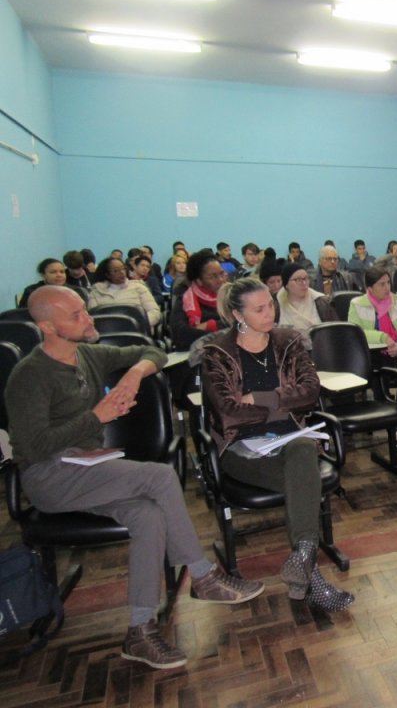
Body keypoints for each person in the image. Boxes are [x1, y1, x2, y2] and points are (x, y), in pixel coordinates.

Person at [4, 286, 263, 670]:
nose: (88, 318)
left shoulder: (89, 354)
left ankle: (139, 631)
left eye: (84, 310)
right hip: (49, 476)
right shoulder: (29, 376)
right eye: (76, 316)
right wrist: (97, 417)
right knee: (159, 477)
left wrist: (135, 374)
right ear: (48, 327)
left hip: (89, 470)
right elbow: (33, 446)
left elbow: (154, 351)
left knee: (148, 516)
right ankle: (203, 577)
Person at [201, 278, 354, 612]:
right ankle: (310, 576)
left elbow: (310, 392)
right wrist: (283, 404)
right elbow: (228, 413)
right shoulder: (217, 354)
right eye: (259, 309)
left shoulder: (288, 342)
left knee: (303, 450)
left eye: (270, 304)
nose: (269, 313)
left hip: (291, 441)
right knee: (303, 477)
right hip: (241, 449)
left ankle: (303, 562)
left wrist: (259, 399)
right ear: (237, 315)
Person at [347, 266, 397, 360]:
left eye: (388, 282)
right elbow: (356, 333)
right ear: (370, 288)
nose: (387, 288)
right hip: (370, 354)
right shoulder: (357, 304)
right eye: (382, 284)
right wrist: (383, 337)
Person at [170, 252, 229, 350]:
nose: (221, 280)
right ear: (199, 281)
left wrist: (211, 325)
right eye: (213, 277)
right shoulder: (185, 300)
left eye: (222, 273)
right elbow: (180, 336)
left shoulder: (231, 295)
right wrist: (220, 329)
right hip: (197, 353)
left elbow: (243, 326)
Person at [88, 257, 162, 328]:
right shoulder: (96, 292)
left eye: (123, 269)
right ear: (107, 274)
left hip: (137, 330)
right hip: (107, 331)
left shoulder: (139, 288)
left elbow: (154, 312)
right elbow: (93, 317)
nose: (122, 272)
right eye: (116, 270)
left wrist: (137, 324)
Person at [276, 263, 337, 334]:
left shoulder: (321, 301)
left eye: (306, 278)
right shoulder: (277, 304)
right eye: (298, 280)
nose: (304, 283)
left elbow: (336, 331)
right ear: (286, 284)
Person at [19, 258, 83, 307]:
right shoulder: (32, 291)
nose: (59, 275)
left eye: (62, 272)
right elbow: (22, 315)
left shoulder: (74, 291)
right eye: (53, 272)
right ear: (43, 275)